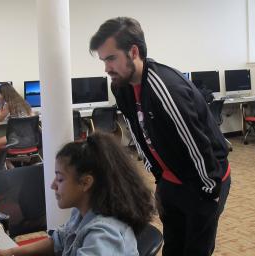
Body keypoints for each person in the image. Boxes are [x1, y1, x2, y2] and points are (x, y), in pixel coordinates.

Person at [89, 17, 231, 256]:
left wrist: (209, 192)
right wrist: (160, 178)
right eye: (104, 60)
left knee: (195, 250)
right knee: (173, 246)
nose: (106, 68)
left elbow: (196, 144)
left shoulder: (165, 87)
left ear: (133, 52)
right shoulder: (120, 86)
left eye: (111, 58)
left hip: (203, 182)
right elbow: (138, 133)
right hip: (170, 181)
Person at [0, 132, 155, 256]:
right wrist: (10, 252)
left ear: (85, 183)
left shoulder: (103, 235)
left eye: (60, 179)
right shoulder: (82, 213)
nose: (52, 185)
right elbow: (59, 241)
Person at [0, 82, 33, 156]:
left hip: (18, 136)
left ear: (3, 94)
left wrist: (1, 104)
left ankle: (7, 166)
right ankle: (11, 164)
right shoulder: (23, 102)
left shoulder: (9, 104)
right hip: (29, 136)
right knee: (0, 146)